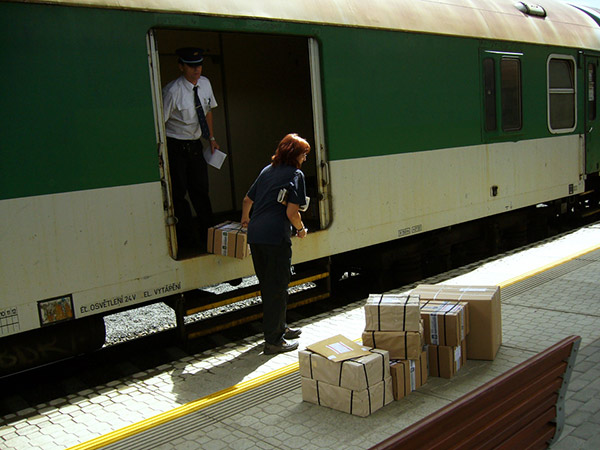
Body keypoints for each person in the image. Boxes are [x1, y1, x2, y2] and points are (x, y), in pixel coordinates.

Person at [241, 133, 310, 355]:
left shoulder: (266, 171)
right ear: (295, 155)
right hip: (274, 238)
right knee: (277, 288)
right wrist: (300, 230)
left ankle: (279, 328)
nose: (305, 159)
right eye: (304, 154)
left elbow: (247, 200)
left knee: (269, 286)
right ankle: (274, 342)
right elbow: (292, 212)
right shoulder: (296, 174)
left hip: (256, 236)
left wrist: (245, 219)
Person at [162, 47, 220, 251]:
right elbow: (160, 122)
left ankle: (210, 237)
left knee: (201, 191)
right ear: (181, 66)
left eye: (199, 65)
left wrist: (211, 137)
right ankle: (187, 239)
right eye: (191, 66)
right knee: (179, 194)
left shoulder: (205, 84)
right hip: (175, 144)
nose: (197, 70)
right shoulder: (172, 91)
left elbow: (208, 111)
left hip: (195, 144)